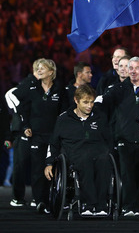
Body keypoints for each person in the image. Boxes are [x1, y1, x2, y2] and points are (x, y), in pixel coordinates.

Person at [96, 57, 139, 216]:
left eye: (136, 68)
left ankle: (136, 205)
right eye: (130, 68)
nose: (133, 71)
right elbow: (102, 102)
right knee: (127, 174)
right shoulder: (118, 89)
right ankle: (129, 207)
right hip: (124, 139)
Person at [45, 85, 112, 216]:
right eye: (85, 102)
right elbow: (53, 143)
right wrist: (49, 163)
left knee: (104, 161)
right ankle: (88, 203)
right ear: (76, 100)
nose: (89, 105)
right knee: (85, 161)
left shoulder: (100, 117)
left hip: (98, 151)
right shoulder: (64, 119)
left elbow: (109, 140)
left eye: (92, 102)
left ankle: (101, 205)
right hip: (75, 153)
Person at [14, 58, 69, 213]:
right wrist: (25, 126)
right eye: (37, 68)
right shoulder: (31, 88)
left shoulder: (60, 90)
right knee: (38, 169)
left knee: (54, 167)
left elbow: (64, 112)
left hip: (54, 135)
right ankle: (40, 202)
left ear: (51, 72)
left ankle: (56, 198)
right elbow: (20, 106)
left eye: (42, 68)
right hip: (36, 135)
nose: (38, 70)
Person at [5, 62, 38, 207]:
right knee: (19, 165)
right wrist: (22, 121)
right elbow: (10, 95)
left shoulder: (45, 87)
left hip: (37, 129)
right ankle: (17, 197)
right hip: (21, 130)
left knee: (37, 166)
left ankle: (38, 197)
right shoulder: (26, 84)